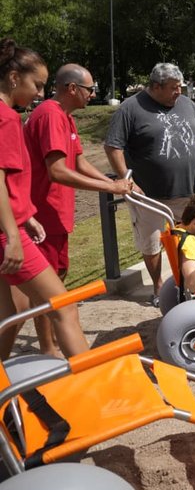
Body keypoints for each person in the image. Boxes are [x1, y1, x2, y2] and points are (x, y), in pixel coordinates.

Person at [23, 63, 131, 356]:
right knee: (48, 287)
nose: (93, 94)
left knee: (59, 277)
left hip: (58, 215)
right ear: (72, 89)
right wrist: (111, 189)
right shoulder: (49, 115)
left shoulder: (66, 118)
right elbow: (57, 171)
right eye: (89, 89)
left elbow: (79, 162)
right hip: (43, 215)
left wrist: (116, 181)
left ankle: (52, 343)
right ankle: (48, 347)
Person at [0, 38, 90, 359]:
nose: (39, 93)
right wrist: (13, 233)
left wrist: (25, 216)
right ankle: (91, 383)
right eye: (36, 84)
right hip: (8, 235)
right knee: (64, 307)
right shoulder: (8, 117)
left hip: (17, 224)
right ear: (14, 79)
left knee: (11, 312)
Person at [105, 63, 195, 307]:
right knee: (151, 242)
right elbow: (113, 146)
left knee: (189, 239)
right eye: (173, 88)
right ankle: (159, 286)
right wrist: (126, 178)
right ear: (155, 86)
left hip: (187, 190)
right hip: (148, 194)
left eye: (180, 88)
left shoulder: (188, 106)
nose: (178, 93)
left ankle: (189, 281)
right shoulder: (130, 109)